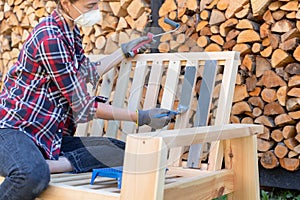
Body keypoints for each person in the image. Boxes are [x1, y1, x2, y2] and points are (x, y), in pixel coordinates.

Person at [0, 0, 174, 199]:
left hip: (46, 135)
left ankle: (51, 163)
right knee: (31, 174)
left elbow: (85, 72)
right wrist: (140, 116)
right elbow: (82, 107)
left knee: (121, 151)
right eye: (90, 6)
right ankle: (39, 163)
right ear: (66, 3)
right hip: (14, 130)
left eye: (96, 4)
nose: (96, 11)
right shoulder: (50, 37)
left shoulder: (70, 31)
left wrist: (123, 51)